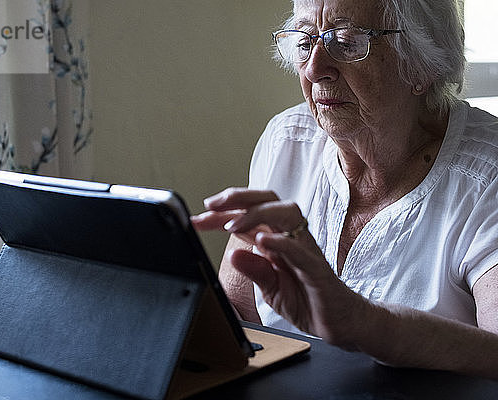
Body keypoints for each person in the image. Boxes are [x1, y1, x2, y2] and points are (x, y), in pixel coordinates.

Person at [191, 0, 498, 379]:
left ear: (421, 64)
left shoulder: (487, 177)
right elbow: (237, 315)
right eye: (305, 42)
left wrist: (361, 322)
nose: (315, 69)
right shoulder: (288, 140)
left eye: (347, 42)